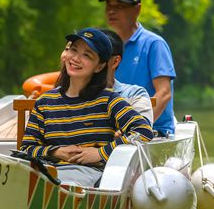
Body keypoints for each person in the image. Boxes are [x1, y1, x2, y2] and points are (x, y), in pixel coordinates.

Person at [20, 28, 154, 187]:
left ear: (99, 66)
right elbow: (27, 149)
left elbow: (143, 131)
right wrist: (56, 152)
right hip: (48, 174)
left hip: (89, 180)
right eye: (73, 50)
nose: (75, 58)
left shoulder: (108, 100)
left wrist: (99, 153)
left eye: (86, 55)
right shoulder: (44, 102)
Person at [100, 0, 176, 136]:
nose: (111, 11)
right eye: (109, 5)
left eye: (119, 6)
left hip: (153, 131)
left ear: (137, 9)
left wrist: (138, 127)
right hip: (113, 129)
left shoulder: (154, 44)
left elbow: (164, 93)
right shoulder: (104, 45)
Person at [100, 28, 154, 127]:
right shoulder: (69, 94)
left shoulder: (134, 94)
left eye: (99, 55)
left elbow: (142, 132)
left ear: (115, 61)